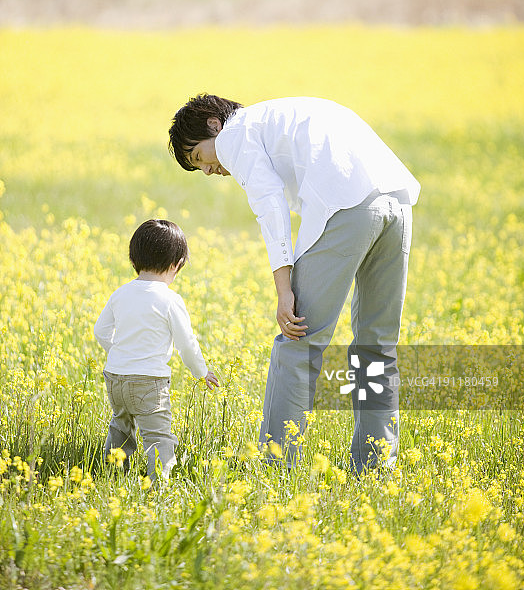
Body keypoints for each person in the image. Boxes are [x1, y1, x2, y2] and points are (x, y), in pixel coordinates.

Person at [168, 95, 420, 475]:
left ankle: (276, 464)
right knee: (377, 346)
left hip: (347, 207)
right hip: (396, 204)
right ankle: (376, 466)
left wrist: (284, 290)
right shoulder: (278, 115)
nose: (207, 170)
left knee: (297, 341)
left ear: (212, 125)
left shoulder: (236, 134)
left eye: (199, 157)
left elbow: (270, 206)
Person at [94, 218, 219, 484]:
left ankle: (113, 477)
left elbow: (100, 331)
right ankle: (158, 484)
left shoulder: (120, 293)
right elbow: (186, 343)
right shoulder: (170, 299)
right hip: (148, 382)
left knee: (120, 426)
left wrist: (120, 353)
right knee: (158, 437)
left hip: (115, 378)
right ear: (175, 265)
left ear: (134, 259)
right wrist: (202, 371)